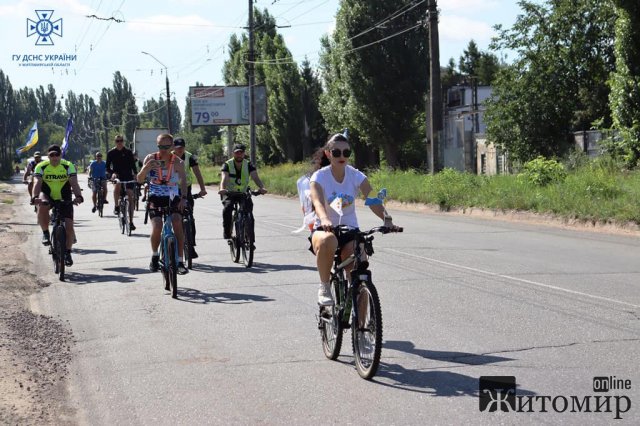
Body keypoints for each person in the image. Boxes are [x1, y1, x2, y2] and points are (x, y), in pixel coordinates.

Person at [309, 133, 399, 306]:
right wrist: (325, 219)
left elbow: (373, 200)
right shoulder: (319, 177)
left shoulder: (356, 175)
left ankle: (363, 329)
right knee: (328, 240)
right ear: (328, 154)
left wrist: (386, 218)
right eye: (336, 152)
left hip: (350, 231)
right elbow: (318, 203)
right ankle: (325, 286)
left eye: (346, 153)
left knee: (359, 272)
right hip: (325, 229)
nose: (342, 157)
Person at [137, 133, 189, 275]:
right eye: (160, 146)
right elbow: (139, 180)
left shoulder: (177, 161)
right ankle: (154, 255)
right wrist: (146, 168)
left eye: (166, 147)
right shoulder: (151, 158)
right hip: (155, 196)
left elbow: (183, 181)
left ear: (171, 146)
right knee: (158, 225)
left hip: (172, 196)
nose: (163, 150)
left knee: (177, 222)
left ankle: (179, 261)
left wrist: (184, 198)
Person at [32, 145, 84, 266]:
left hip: (64, 195)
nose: (54, 157)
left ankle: (67, 252)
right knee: (42, 206)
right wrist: (34, 197)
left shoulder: (68, 166)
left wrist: (78, 196)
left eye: (57, 155)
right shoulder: (41, 166)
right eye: (51, 155)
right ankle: (45, 233)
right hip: (47, 193)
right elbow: (37, 182)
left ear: (61, 155)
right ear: (48, 156)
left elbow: (74, 183)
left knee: (69, 227)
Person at [218, 143, 267, 240]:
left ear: (244, 154)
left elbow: (255, 177)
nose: (239, 155)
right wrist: (222, 188)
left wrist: (262, 187)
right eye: (237, 153)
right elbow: (224, 178)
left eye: (241, 153)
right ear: (233, 153)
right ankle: (227, 232)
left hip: (243, 193)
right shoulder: (227, 164)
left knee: (249, 212)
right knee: (227, 209)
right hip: (229, 193)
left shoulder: (249, 164)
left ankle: (249, 237)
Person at [172, 137, 207, 258]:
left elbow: (197, 172)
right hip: (172, 189)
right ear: (173, 148)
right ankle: (172, 242)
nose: (180, 150)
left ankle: (190, 245)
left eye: (181, 148)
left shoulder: (189, 157)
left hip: (186, 189)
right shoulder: (169, 157)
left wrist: (202, 189)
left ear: (184, 147)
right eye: (177, 148)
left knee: (190, 218)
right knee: (173, 216)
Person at [106, 135, 137, 230]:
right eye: (117, 141)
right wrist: (112, 173)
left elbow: (133, 165)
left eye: (121, 141)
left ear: (123, 141)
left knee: (130, 196)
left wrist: (136, 174)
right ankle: (116, 206)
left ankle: (131, 222)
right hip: (117, 175)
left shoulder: (128, 152)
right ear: (115, 142)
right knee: (118, 185)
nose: (119, 142)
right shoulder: (111, 153)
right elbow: (107, 167)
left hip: (128, 175)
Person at [296, 148, 330, 232]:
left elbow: (368, 196)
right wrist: (324, 218)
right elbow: (316, 202)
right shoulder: (311, 181)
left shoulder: (351, 175)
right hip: (319, 225)